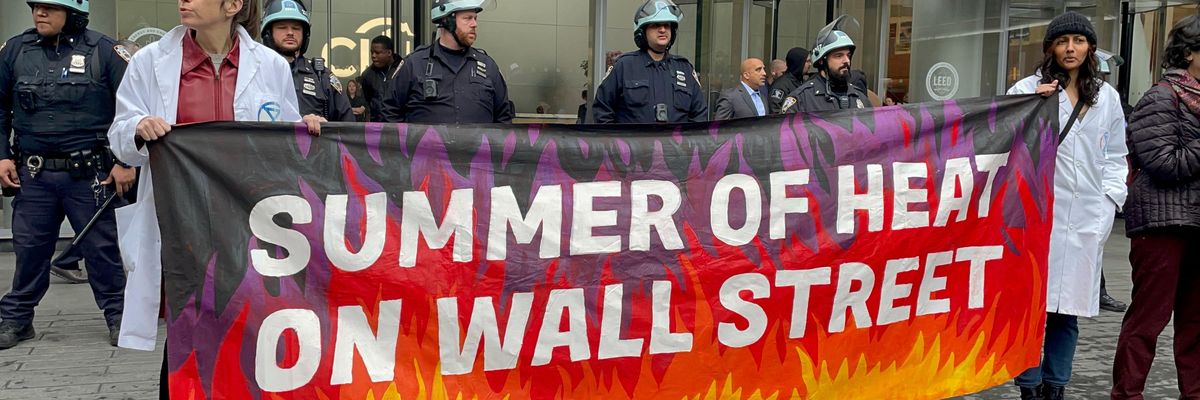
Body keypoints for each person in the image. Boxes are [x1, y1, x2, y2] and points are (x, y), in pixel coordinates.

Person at [105, 0, 313, 397]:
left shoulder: (271, 66)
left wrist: (306, 130)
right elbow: (120, 137)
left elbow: (285, 142)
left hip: (247, 224)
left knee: (250, 326)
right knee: (188, 327)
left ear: (233, 5)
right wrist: (137, 127)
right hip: (183, 225)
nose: (184, 1)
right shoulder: (151, 62)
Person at [1006, 11, 1127, 400]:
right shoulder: (1028, 88)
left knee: (1067, 313)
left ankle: (1055, 386)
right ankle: (1029, 386)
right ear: (1050, 49)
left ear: (1090, 47)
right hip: (1038, 216)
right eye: (1062, 42)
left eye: (1078, 41)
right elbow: (1004, 141)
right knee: (1031, 308)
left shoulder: (1106, 97)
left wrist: (1109, 203)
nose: (1070, 48)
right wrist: (1030, 107)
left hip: (1086, 215)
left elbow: (1115, 156)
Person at [0, 0, 133, 350]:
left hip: (90, 174)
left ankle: (119, 316)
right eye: (36, 7)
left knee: (101, 251)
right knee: (29, 249)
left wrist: (125, 161)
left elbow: (132, 109)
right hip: (34, 173)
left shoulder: (105, 51)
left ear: (73, 13)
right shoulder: (15, 50)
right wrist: (1, 156)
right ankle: (17, 318)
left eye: (49, 7)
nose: (39, 13)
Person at [1111, 14, 1200, 399]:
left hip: (1196, 224)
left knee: (1196, 324)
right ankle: (1127, 394)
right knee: (1148, 320)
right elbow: (1164, 162)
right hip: (1163, 226)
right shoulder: (1160, 97)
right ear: (1190, 52)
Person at [382, 0, 513, 124]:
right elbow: (390, 113)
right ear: (447, 20)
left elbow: (503, 119)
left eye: (475, 18)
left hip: (477, 148)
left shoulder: (488, 66)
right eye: (467, 18)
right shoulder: (414, 64)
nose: (474, 24)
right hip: (426, 148)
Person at [592, 0, 707, 124]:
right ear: (643, 31)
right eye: (656, 25)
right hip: (634, 142)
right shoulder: (624, 66)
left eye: (667, 25)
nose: (662, 30)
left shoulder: (685, 68)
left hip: (675, 143)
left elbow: (699, 117)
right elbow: (602, 112)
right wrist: (619, 142)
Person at [261, 0, 353, 122]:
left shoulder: (322, 76)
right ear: (268, 33)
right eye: (282, 27)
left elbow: (348, 127)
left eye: (296, 28)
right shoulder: (255, 72)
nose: (290, 33)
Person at [782, 17, 871, 113]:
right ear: (821, 61)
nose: (846, 61)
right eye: (838, 55)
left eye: (848, 55)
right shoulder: (802, 99)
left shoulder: (859, 96)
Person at [359, 35, 401, 122]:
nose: (373, 56)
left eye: (377, 53)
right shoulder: (367, 75)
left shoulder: (404, 70)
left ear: (389, 53)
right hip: (377, 127)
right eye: (372, 52)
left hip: (401, 126)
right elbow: (368, 101)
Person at [769, 47, 807, 114]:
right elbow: (775, 111)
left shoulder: (803, 82)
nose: (810, 64)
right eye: (807, 61)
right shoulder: (781, 84)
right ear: (799, 62)